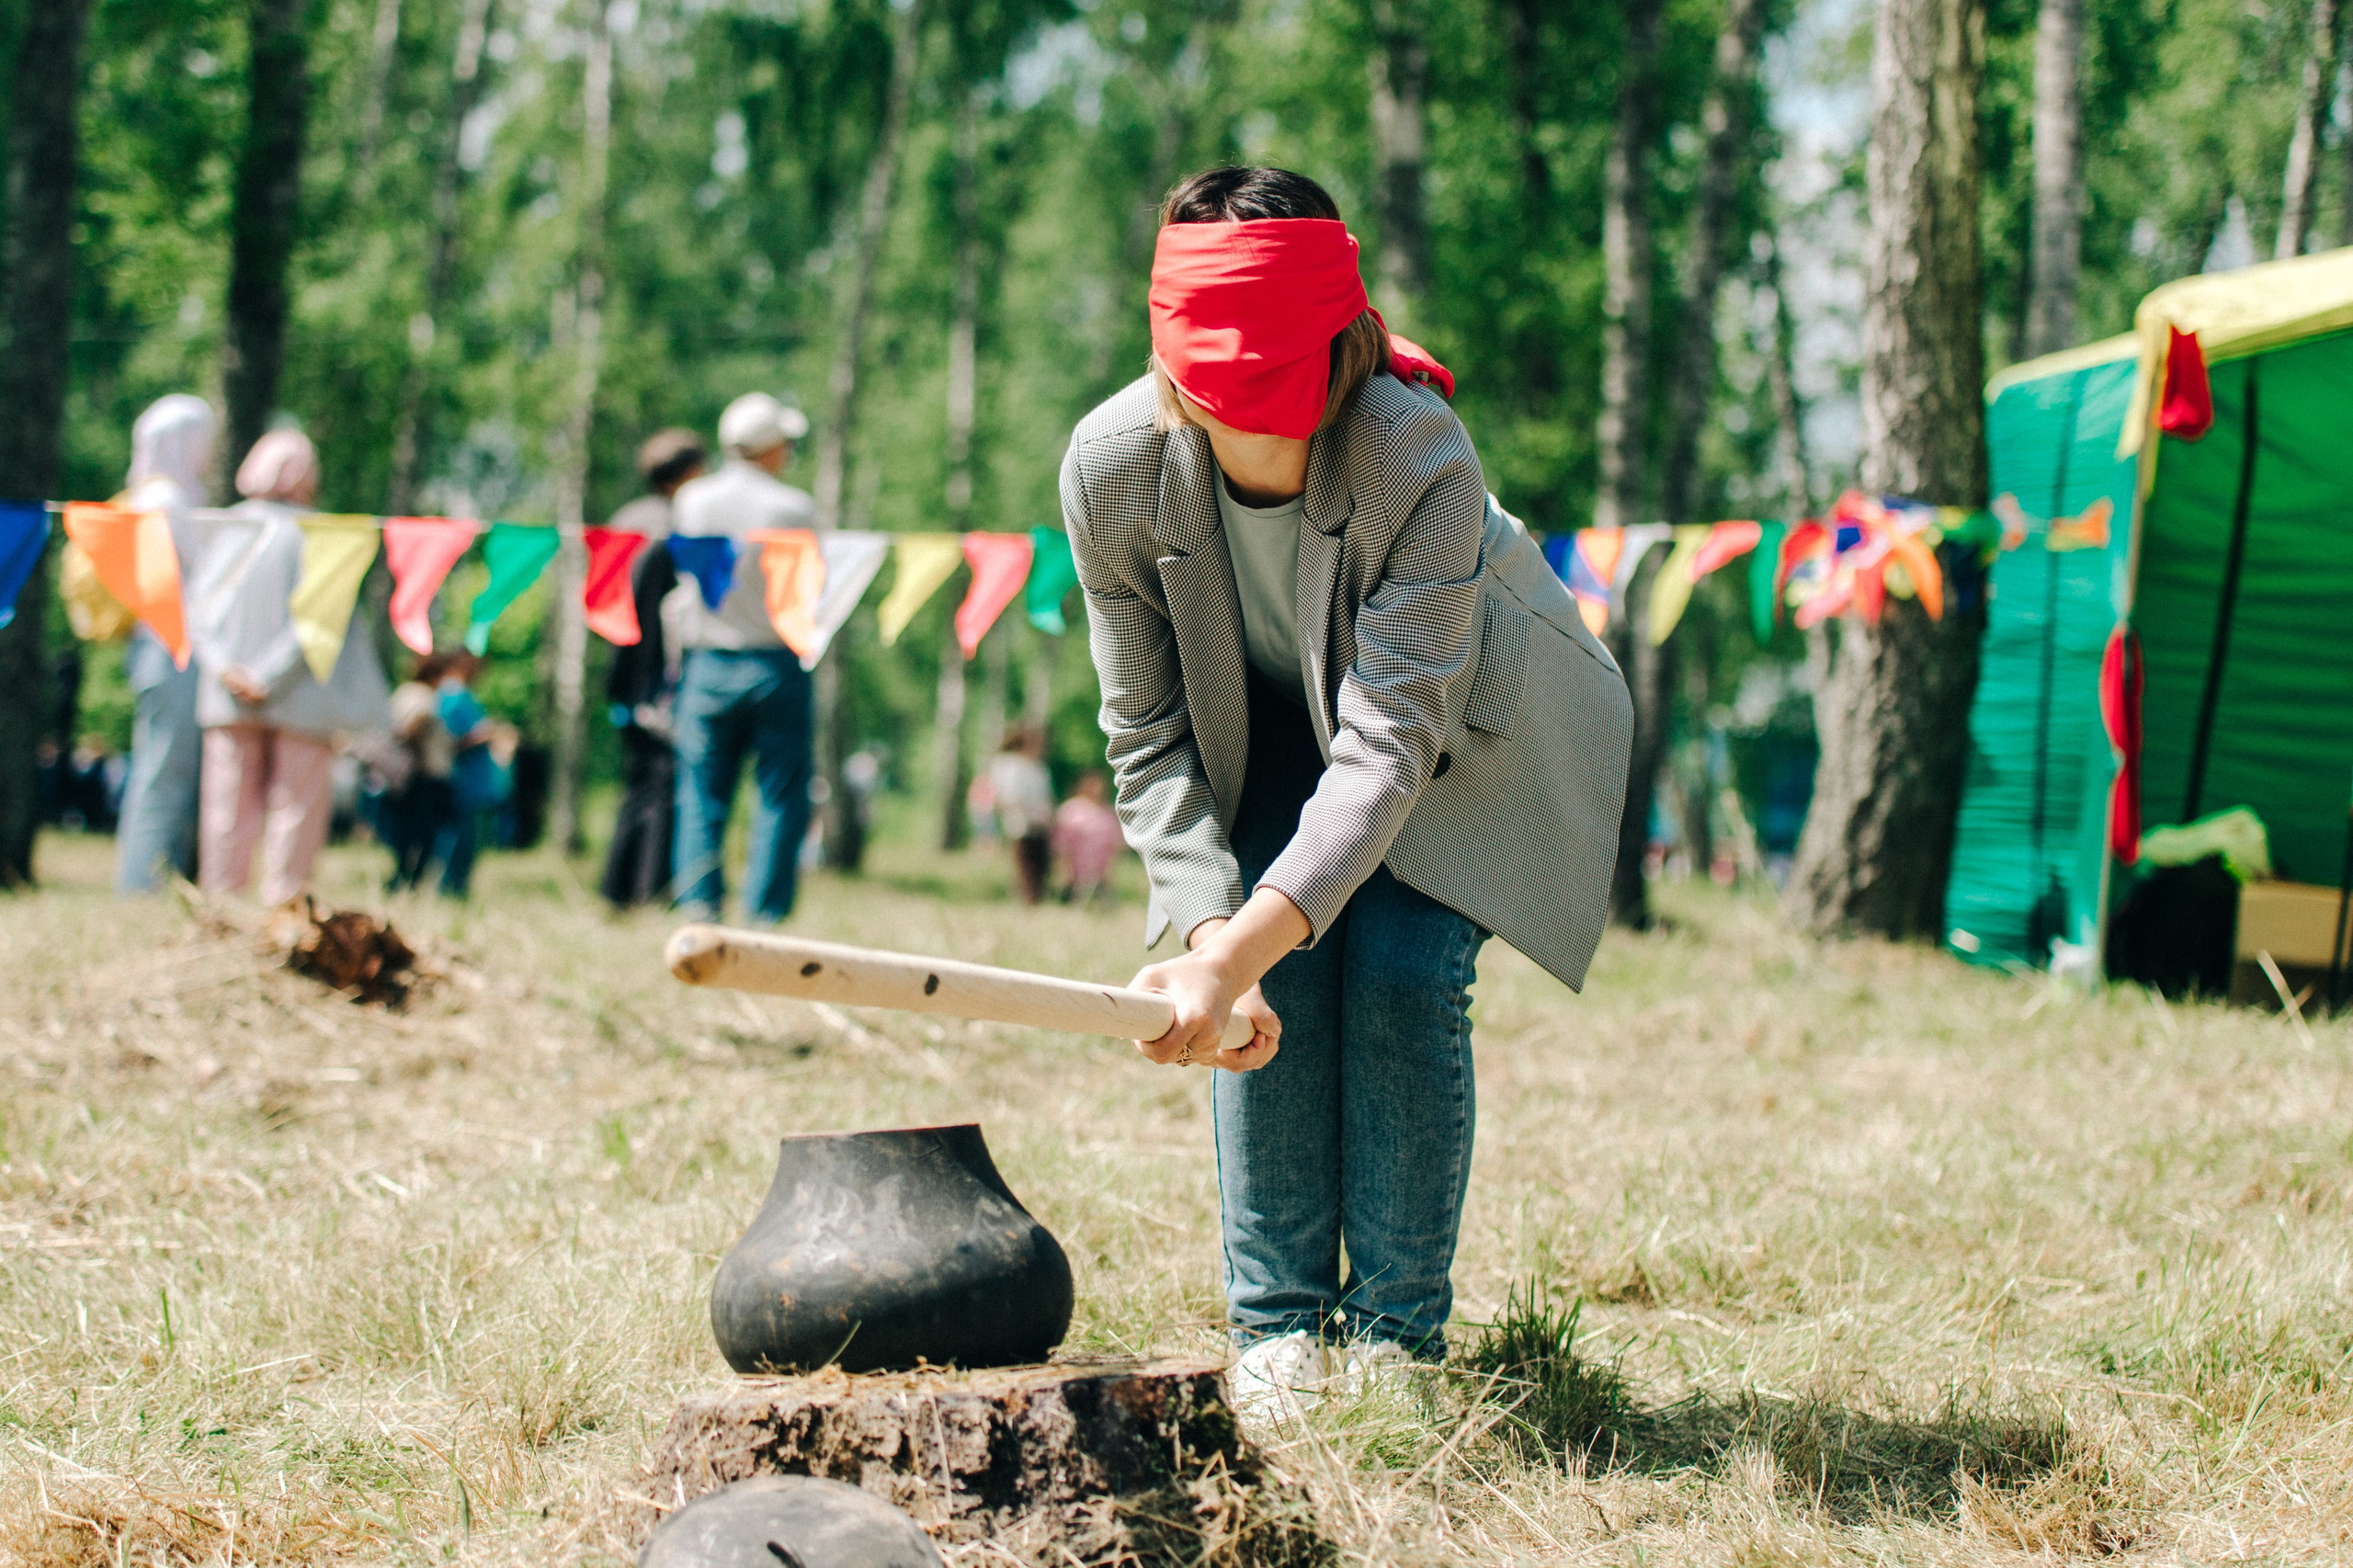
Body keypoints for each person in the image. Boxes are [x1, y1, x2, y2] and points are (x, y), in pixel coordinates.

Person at [1062, 167, 1631, 1418]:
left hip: (1462, 726)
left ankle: (1391, 1339)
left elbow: (1386, 750)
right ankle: (1276, 1327)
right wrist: (1220, 946)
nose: (1255, 432)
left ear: (1336, 336)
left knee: (1401, 969)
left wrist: (1239, 944)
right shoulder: (1111, 466)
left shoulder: (1416, 453)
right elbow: (1149, 733)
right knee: (1277, 982)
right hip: (1265, 726)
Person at [190, 430, 392, 904]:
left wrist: (228, 669)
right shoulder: (326, 538)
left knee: (226, 806)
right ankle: (285, 908)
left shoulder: (225, 528)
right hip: (303, 694)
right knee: (296, 807)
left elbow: (198, 611)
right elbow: (317, 622)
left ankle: (221, 906)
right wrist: (268, 674)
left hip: (228, 694)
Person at [664, 392, 820, 923]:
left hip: (708, 661)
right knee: (779, 795)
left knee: (701, 792)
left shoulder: (692, 501)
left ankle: (699, 909)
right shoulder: (792, 507)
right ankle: (766, 916)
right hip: (775, 662)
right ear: (772, 447)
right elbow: (806, 594)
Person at [113, 394, 216, 892]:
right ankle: (141, 887)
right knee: (162, 774)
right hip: (169, 649)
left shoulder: (165, 496)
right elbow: (205, 577)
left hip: (162, 649)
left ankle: (152, 881)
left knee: (164, 770)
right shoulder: (163, 501)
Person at [601, 429, 703, 909]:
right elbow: (653, 612)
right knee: (663, 785)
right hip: (654, 675)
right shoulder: (673, 526)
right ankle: (645, 888)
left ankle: (618, 887)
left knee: (638, 783)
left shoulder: (625, 520)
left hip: (621, 668)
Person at [384, 652, 461, 891]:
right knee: (423, 834)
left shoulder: (402, 693)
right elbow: (412, 729)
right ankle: (409, 881)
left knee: (405, 831)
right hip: (426, 775)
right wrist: (419, 757)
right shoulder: (425, 698)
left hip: (403, 777)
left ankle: (402, 878)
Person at [986, 725, 1057, 904]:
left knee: (1042, 866)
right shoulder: (1009, 765)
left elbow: (1046, 796)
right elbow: (1007, 795)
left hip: (1041, 822)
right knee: (1026, 866)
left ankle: (1037, 901)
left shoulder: (1039, 768)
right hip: (1021, 823)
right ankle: (1028, 902)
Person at [1052, 771, 1125, 905]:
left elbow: (1116, 845)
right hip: (1075, 873)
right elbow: (1062, 845)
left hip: (1100, 874)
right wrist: (1066, 871)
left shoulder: (1107, 813)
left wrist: (1110, 870)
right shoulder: (1070, 810)